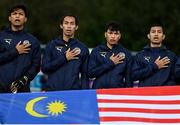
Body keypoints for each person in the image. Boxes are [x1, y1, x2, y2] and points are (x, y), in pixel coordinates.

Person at [41, 15, 89, 91]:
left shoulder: (83, 48)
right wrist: (64, 58)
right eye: (66, 23)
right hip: (53, 92)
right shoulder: (52, 45)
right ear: (61, 26)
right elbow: (44, 68)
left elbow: (85, 75)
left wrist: (85, 94)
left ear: (76, 27)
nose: (69, 26)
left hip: (72, 93)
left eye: (72, 23)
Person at [0, 5, 41, 93]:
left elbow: (36, 66)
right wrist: (15, 51)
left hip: (22, 90)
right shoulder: (1, 37)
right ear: (10, 18)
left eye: (21, 14)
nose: (17, 16)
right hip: (1, 89)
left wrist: (24, 80)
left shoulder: (33, 41)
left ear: (25, 19)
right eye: (14, 14)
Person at [88, 21, 133, 89]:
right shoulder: (96, 51)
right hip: (99, 92)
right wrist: (110, 63)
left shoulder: (126, 53)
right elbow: (90, 73)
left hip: (117, 94)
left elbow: (129, 80)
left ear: (120, 36)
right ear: (105, 34)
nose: (113, 36)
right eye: (110, 33)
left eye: (116, 33)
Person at [132, 23, 177, 87]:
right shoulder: (140, 55)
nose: (156, 34)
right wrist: (155, 66)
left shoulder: (171, 56)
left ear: (163, 36)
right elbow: (133, 75)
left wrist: (166, 89)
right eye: (153, 32)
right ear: (149, 36)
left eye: (159, 32)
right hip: (146, 94)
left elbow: (176, 77)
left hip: (164, 94)